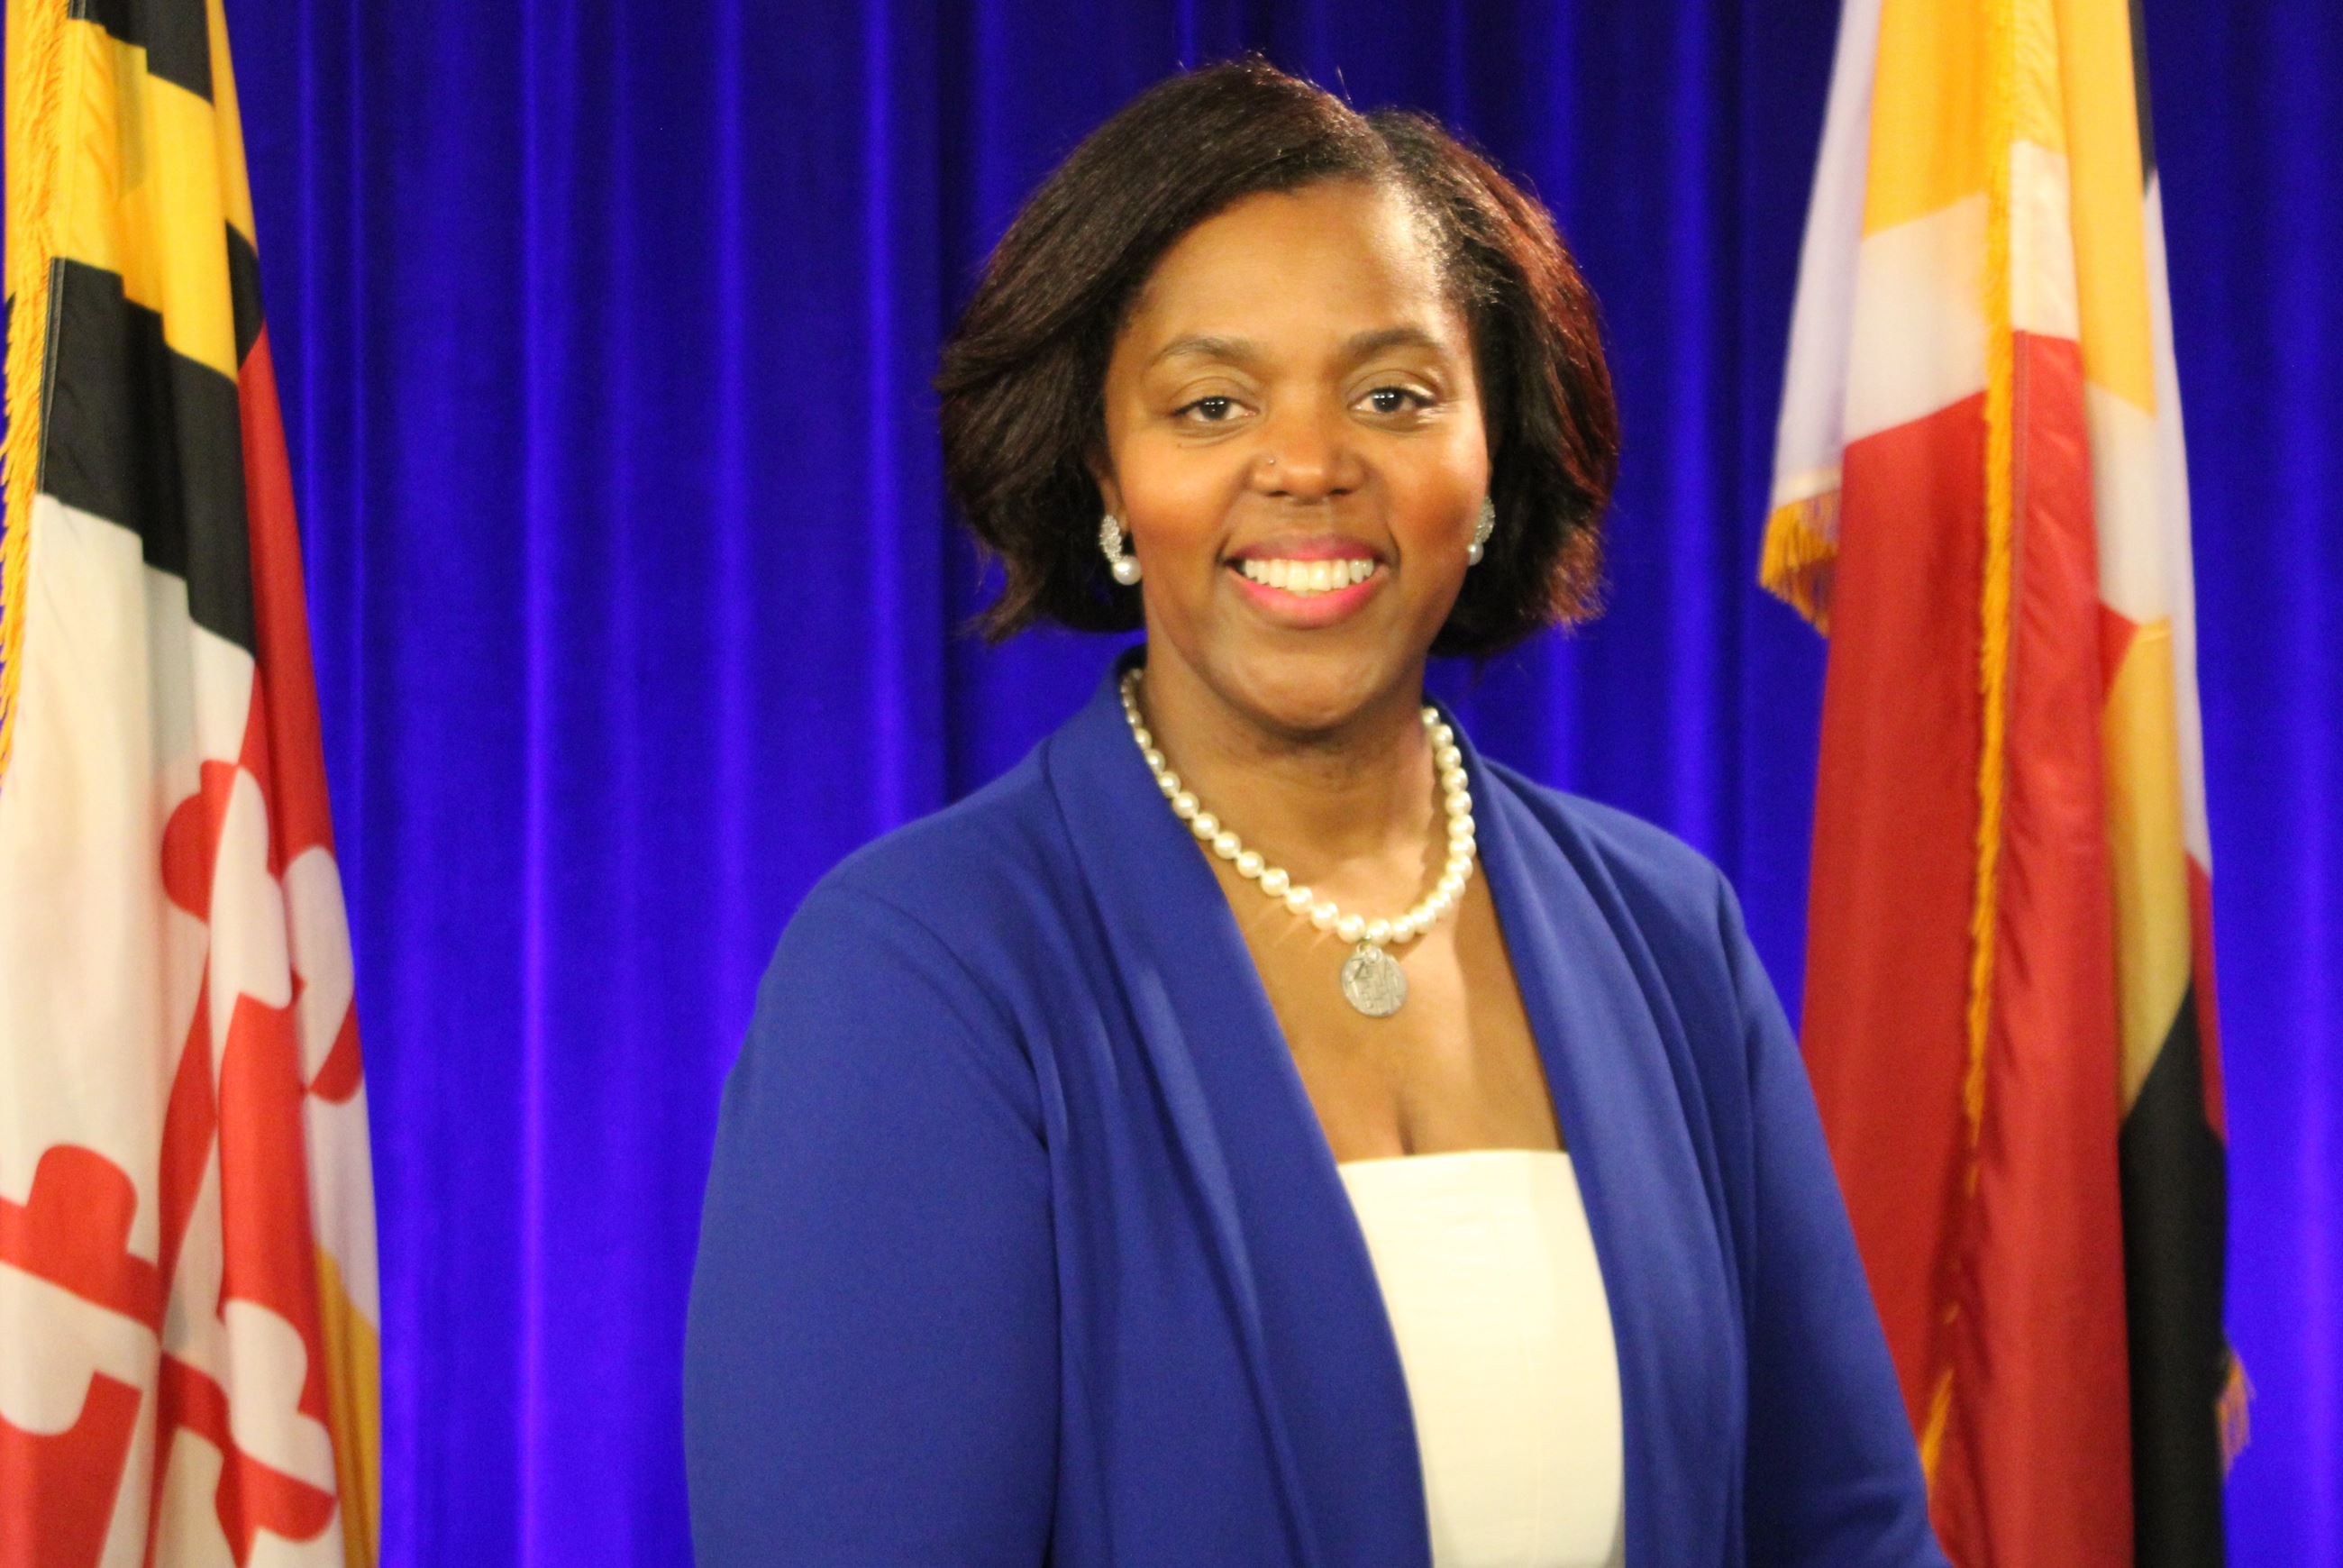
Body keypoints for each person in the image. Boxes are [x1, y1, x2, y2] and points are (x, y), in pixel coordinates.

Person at [684, 55, 1948, 1568]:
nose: (1307, 466)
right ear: (1108, 470)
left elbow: (1847, 1537)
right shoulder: (919, 972)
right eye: (1211, 403)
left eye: (1394, 394)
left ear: (1491, 464)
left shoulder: (1671, 937)